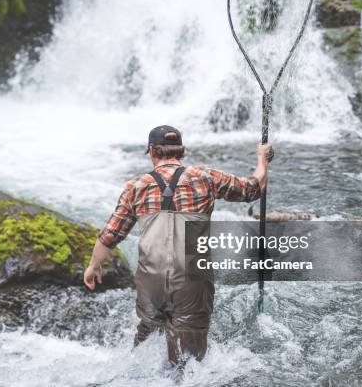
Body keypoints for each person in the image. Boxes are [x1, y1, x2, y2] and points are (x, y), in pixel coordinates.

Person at [84, 125, 273, 371]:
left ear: (151, 151)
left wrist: (93, 266)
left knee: (147, 340)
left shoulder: (136, 187)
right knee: (189, 360)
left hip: (151, 277)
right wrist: (262, 158)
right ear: (181, 151)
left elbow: (110, 235)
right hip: (191, 278)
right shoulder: (205, 177)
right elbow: (253, 188)